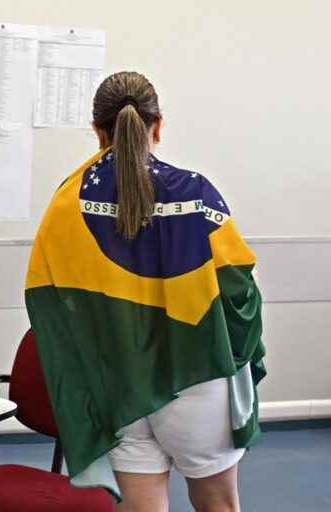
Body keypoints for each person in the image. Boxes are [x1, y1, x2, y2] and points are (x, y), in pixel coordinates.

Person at [24, 71, 265, 512]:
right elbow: (239, 296)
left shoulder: (66, 203)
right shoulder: (196, 194)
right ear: (157, 125)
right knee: (219, 506)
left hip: (119, 381)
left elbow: (51, 302)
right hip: (197, 376)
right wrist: (241, 356)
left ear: (97, 131)